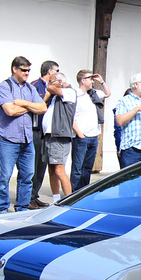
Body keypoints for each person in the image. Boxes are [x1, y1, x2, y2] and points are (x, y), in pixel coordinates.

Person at [0, 56, 46, 214]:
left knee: (27, 176)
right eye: (24, 70)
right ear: (14, 69)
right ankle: (1, 210)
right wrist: (32, 107)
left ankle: (22, 209)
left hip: (27, 139)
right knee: (5, 176)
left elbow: (43, 107)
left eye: (29, 70)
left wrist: (23, 103)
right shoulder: (5, 87)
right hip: (9, 139)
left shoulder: (30, 89)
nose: (27, 73)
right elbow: (10, 111)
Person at [70, 70, 108, 191]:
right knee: (77, 168)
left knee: (87, 168)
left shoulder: (93, 93)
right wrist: (80, 134)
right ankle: (74, 192)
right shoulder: (75, 94)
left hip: (93, 136)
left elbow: (107, 93)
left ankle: (83, 192)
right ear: (83, 80)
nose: (92, 81)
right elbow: (71, 117)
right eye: (90, 79)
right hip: (82, 136)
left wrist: (101, 81)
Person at [29, 60, 58, 209]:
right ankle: (28, 197)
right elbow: (36, 105)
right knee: (33, 165)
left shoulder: (56, 87)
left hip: (48, 131)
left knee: (42, 165)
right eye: (56, 71)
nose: (58, 74)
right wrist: (48, 94)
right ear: (49, 72)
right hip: (35, 129)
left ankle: (35, 195)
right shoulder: (35, 86)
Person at [42, 72, 75, 200]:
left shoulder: (70, 92)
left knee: (59, 170)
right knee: (51, 170)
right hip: (49, 136)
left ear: (60, 82)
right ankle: (56, 200)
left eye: (51, 81)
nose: (48, 84)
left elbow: (49, 88)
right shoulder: (54, 96)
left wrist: (50, 87)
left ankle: (68, 201)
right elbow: (42, 103)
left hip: (59, 137)